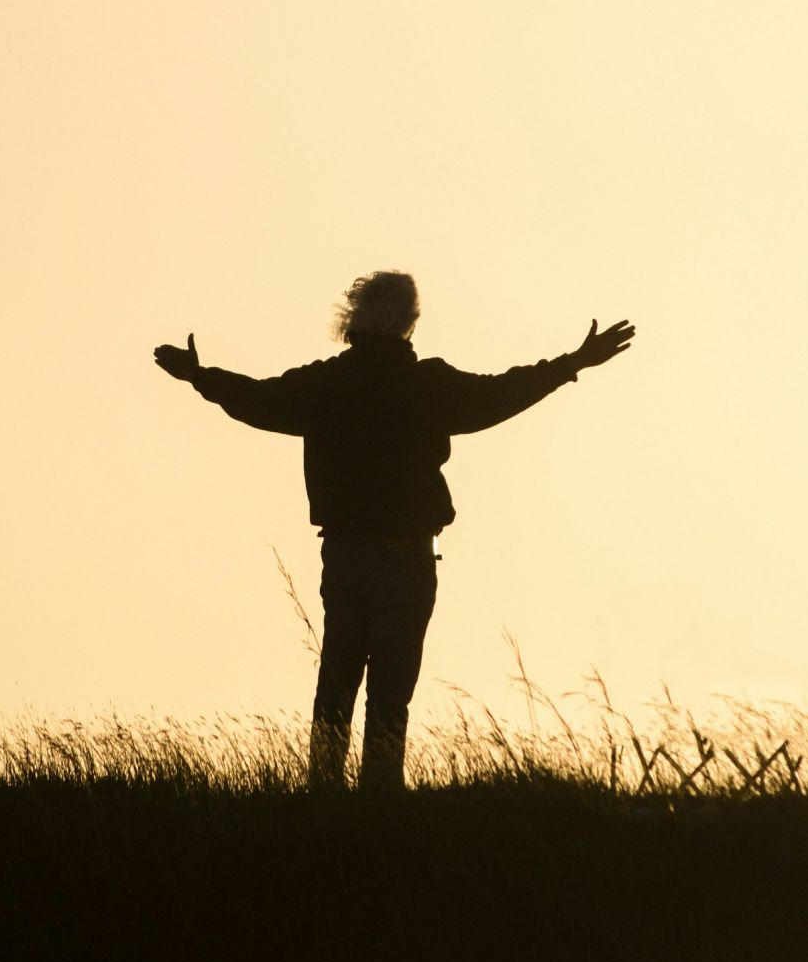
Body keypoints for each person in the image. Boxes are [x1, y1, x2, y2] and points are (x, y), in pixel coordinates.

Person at [153, 271, 634, 790]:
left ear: (353, 319)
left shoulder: (328, 384)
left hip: (345, 556)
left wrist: (199, 376)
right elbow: (503, 393)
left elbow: (257, 399)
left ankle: (324, 795)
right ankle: (379, 801)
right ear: (410, 322)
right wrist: (571, 364)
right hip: (407, 559)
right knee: (391, 693)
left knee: (335, 683)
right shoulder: (428, 385)